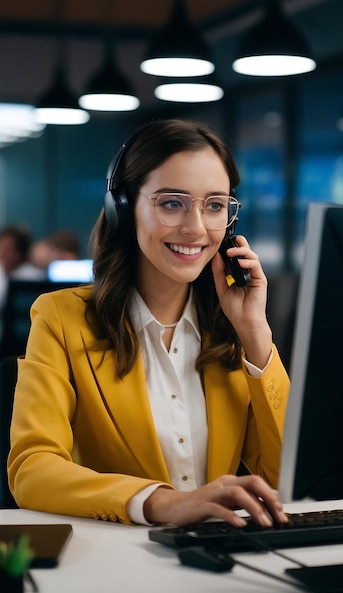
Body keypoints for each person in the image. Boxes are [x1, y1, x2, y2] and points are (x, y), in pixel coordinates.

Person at [8, 118, 290, 528]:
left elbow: (286, 478)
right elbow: (31, 469)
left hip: (217, 558)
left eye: (214, 206)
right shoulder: (60, 318)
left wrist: (256, 337)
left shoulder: (231, 328)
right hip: (118, 567)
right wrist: (159, 502)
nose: (196, 228)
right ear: (122, 207)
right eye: (172, 203)